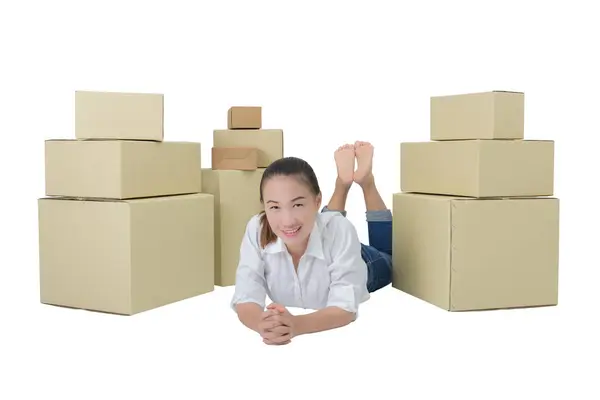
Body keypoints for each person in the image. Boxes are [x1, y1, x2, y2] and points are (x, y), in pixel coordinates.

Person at [230, 141, 393, 345]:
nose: (287, 220)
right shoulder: (256, 228)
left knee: (391, 258)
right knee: (324, 225)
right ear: (264, 206)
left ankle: (365, 182)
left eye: (297, 204)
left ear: (318, 202)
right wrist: (262, 324)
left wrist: (296, 325)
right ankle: (342, 184)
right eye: (275, 207)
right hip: (325, 236)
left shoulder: (341, 231)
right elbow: (245, 295)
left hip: (360, 261)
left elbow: (345, 308)